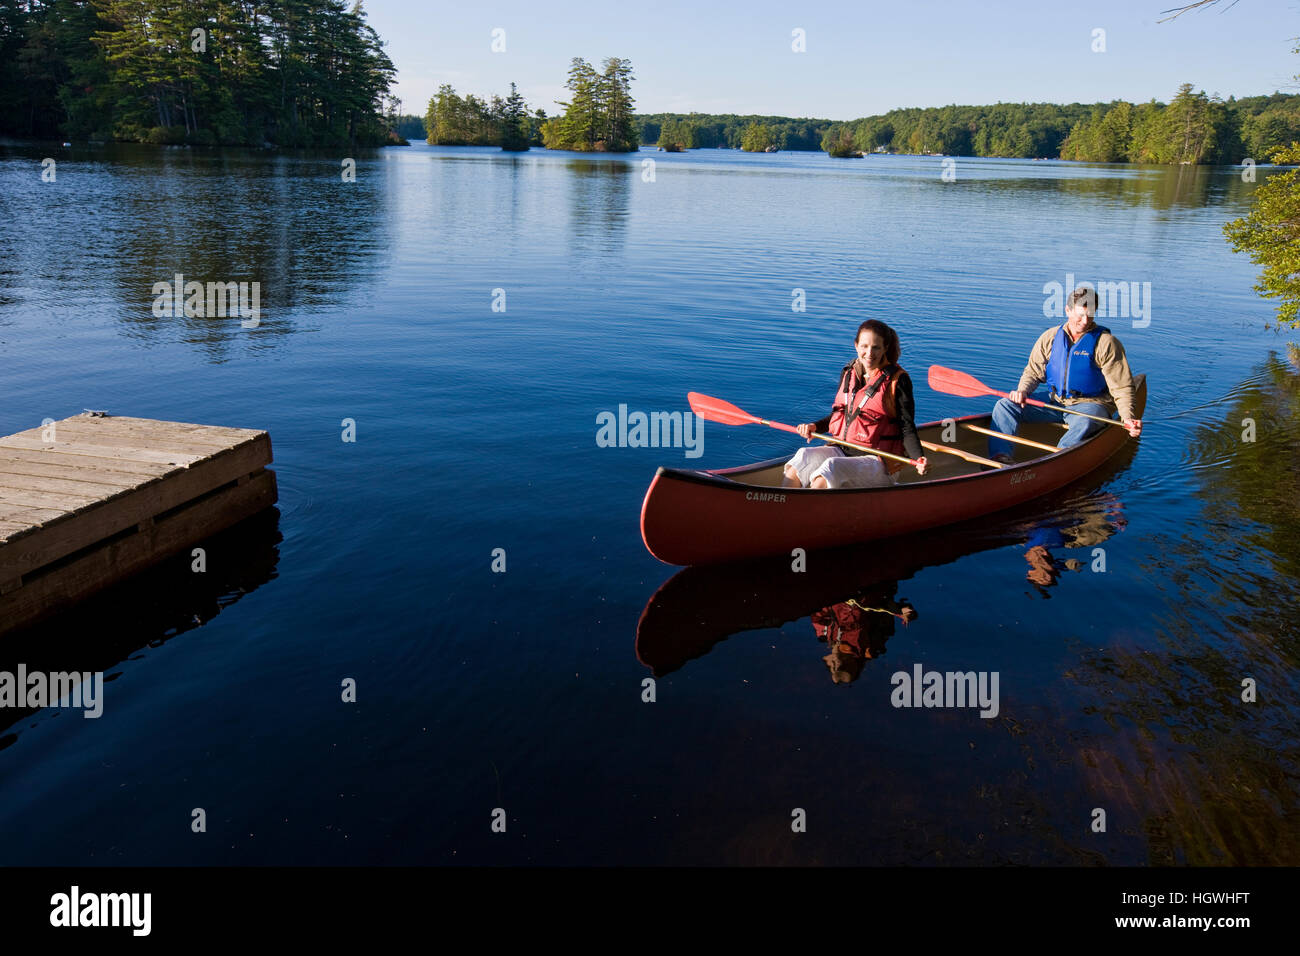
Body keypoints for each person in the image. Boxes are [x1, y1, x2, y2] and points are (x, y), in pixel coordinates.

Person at [988, 286, 1142, 462]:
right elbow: (1033, 371)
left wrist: (1128, 418)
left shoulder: (1106, 343)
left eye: (1090, 315)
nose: (1085, 321)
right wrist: (1022, 391)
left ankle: (1056, 459)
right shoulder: (1050, 337)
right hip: (1055, 401)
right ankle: (1000, 457)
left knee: (1084, 422)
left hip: (1091, 405)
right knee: (1005, 405)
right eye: (1080, 315)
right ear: (1067, 310)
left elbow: (1121, 386)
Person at [782, 319, 928, 489]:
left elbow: (906, 427)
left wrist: (918, 458)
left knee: (830, 469)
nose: (869, 353)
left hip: (880, 462)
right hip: (844, 451)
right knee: (802, 457)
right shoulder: (849, 373)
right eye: (864, 346)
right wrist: (815, 426)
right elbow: (842, 415)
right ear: (856, 345)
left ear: (885, 348)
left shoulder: (898, 381)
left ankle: (807, 512)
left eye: (876, 347)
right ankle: (786, 505)